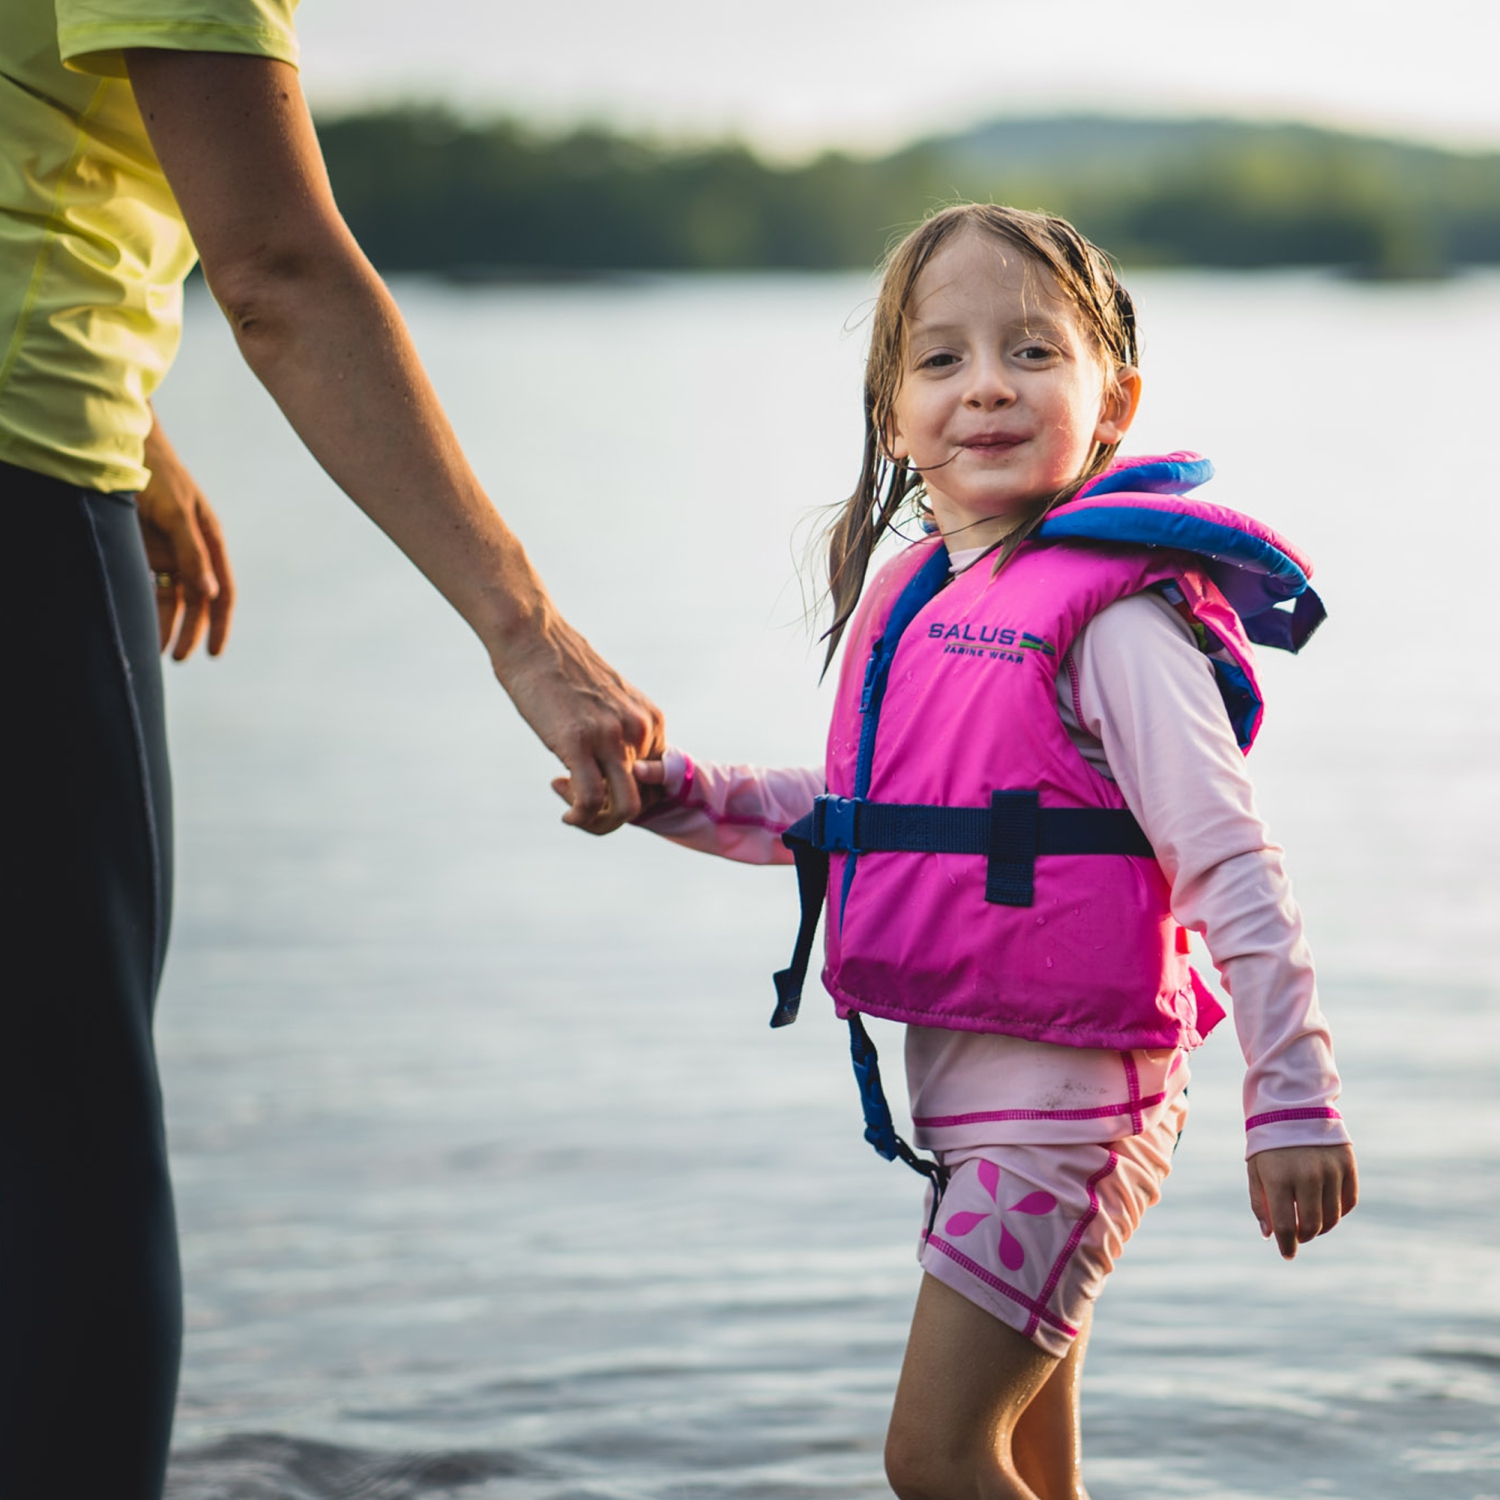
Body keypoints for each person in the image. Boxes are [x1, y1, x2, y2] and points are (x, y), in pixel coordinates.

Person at [591, 204, 1358, 1500]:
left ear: (1112, 399)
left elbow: (1230, 859)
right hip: (985, 1103)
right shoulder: (927, 599)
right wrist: (669, 794)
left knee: (937, 1460)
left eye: (1031, 352)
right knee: (1028, 1473)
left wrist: (1293, 1092)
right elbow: (853, 810)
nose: (986, 384)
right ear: (892, 413)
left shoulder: (1118, 626)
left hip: (1069, 1115)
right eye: (941, 359)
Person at [0, 2, 661, 1496]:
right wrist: (525, 629)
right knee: (68, 1151)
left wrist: (149, 438)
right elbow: (282, 271)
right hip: (20, 498)